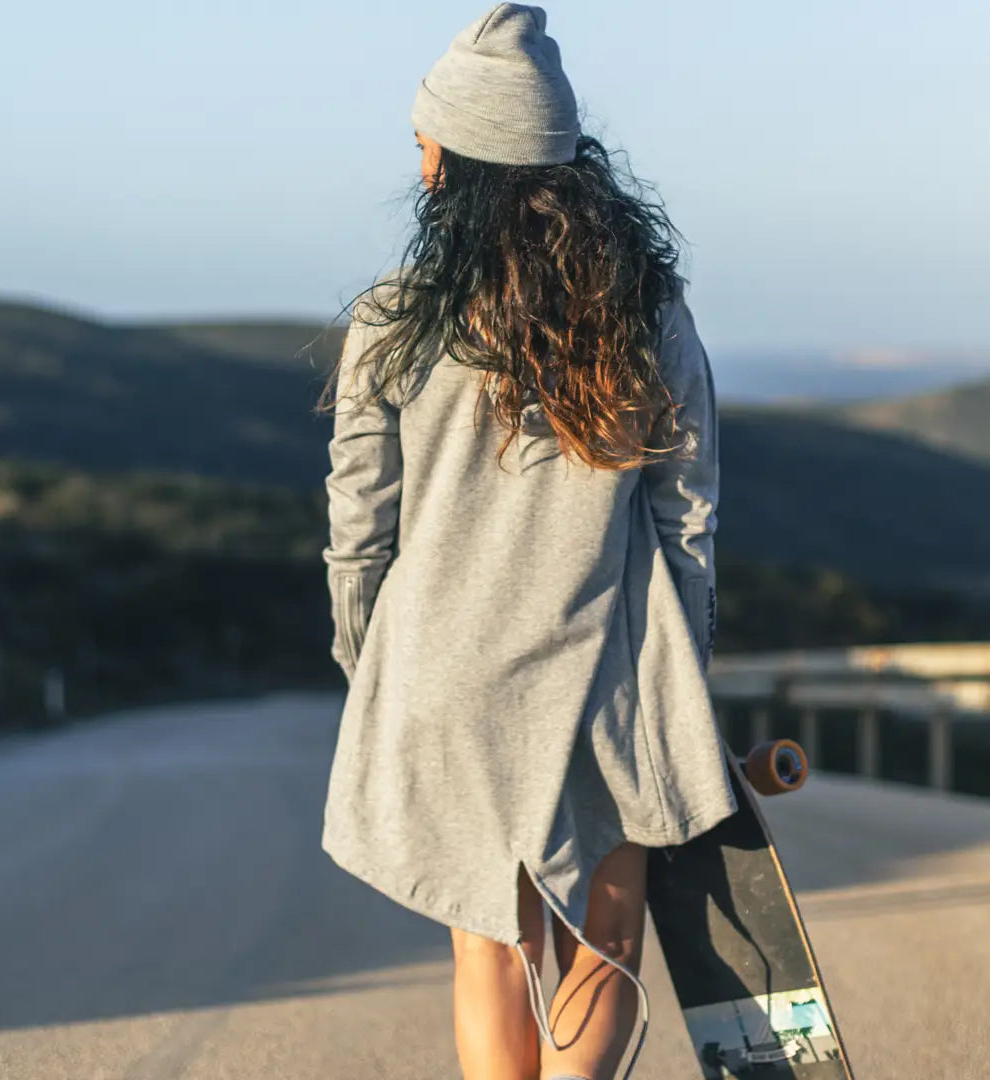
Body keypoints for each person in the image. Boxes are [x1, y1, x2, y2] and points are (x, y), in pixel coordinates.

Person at [317, 4, 737, 1079]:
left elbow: (358, 524)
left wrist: (370, 661)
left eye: (428, 146)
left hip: (445, 673)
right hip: (609, 670)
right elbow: (686, 511)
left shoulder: (394, 321)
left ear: (466, 160)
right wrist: (685, 670)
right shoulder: (644, 314)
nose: (420, 170)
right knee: (608, 932)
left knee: (493, 947)